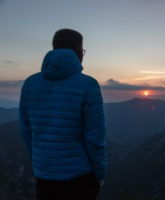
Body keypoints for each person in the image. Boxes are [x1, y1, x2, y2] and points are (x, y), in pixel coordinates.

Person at [18, 29, 107, 200]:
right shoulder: (88, 85)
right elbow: (95, 137)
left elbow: (25, 130)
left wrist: (41, 159)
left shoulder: (30, 83)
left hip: (43, 177)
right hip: (79, 178)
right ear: (79, 53)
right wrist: (100, 173)